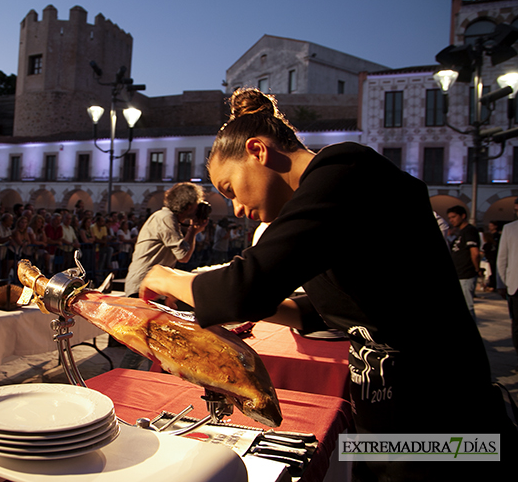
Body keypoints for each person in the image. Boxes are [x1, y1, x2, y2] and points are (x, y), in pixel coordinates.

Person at [139, 87, 517, 481]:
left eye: (230, 189)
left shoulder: (347, 171)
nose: (236, 208)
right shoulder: (321, 204)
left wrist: (165, 275)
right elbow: (329, 308)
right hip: (383, 406)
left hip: (440, 406)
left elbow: (243, 289)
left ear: (258, 150)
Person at [124, 182, 208, 298]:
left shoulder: (167, 217)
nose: (198, 208)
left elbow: (183, 253)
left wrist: (193, 230)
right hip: (142, 287)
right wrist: (193, 231)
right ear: (189, 205)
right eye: (196, 204)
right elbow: (183, 256)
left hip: (151, 286)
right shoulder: (166, 217)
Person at [447, 205, 481, 321]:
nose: (451, 220)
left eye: (454, 217)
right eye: (450, 218)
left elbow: (474, 252)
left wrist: (476, 269)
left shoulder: (470, 230)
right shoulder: (460, 233)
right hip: (459, 274)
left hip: (466, 274)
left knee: (467, 307)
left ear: (463, 216)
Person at [496, 198, 518, 371]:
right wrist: (501, 282)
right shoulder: (510, 228)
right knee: (516, 324)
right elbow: (502, 258)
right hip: (515, 285)